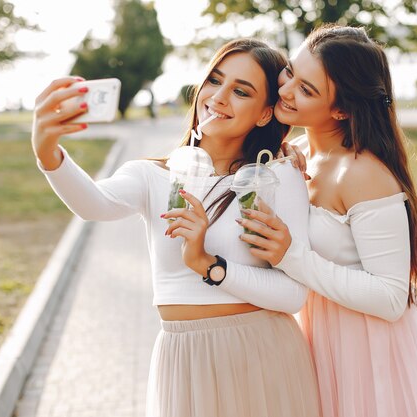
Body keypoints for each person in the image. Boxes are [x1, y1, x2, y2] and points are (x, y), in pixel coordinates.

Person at [31, 39, 321, 417]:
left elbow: (292, 296)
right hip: (182, 360)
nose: (218, 97)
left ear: (265, 114)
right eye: (215, 80)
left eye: (240, 91)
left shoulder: (278, 176)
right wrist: (47, 152)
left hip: (263, 353)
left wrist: (207, 264)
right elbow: (93, 205)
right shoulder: (152, 175)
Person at [239, 25, 417, 417]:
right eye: (290, 71)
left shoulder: (363, 173)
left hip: (368, 349)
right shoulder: (298, 155)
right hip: (319, 339)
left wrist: (292, 256)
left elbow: (392, 298)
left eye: (307, 90)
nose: (286, 90)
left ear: (341, 109)